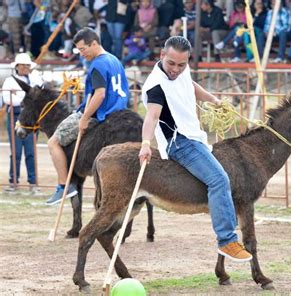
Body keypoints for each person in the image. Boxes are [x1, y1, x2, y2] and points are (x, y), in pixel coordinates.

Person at [138, 36, 252, 262]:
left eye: (182, 65)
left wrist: (214, 101)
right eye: (171, 63)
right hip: (179, 142)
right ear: (162, 55)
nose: (176, 69)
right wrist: (144, 144)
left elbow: (190, 85)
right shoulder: (155, 86)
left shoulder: (182, 71)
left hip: (195, 136)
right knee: (220, 180)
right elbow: (151, 117)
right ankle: (227, 240)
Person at [45, 27, 129, 205]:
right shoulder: (115, 60)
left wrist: (84, 118)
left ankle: (63, 186)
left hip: (100, 113)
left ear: (95, 44)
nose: (82, 54)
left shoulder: (97, 64)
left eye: (83, 49)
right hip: (120, 111)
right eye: (79, 50)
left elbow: (99, 94)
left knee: (53, 142)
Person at [2, 53, 43, 194]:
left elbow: (37, 97)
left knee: (31, 152)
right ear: (17, 67)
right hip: (16, 116)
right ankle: (13, 182)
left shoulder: (35, 79)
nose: (25, 67)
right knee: (16, 152)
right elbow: (7, 99)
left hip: (30, 119)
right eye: (23, 65)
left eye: (27, 65)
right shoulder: (9, 81)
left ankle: (33, 183)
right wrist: (26, 99)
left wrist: (18, 96)